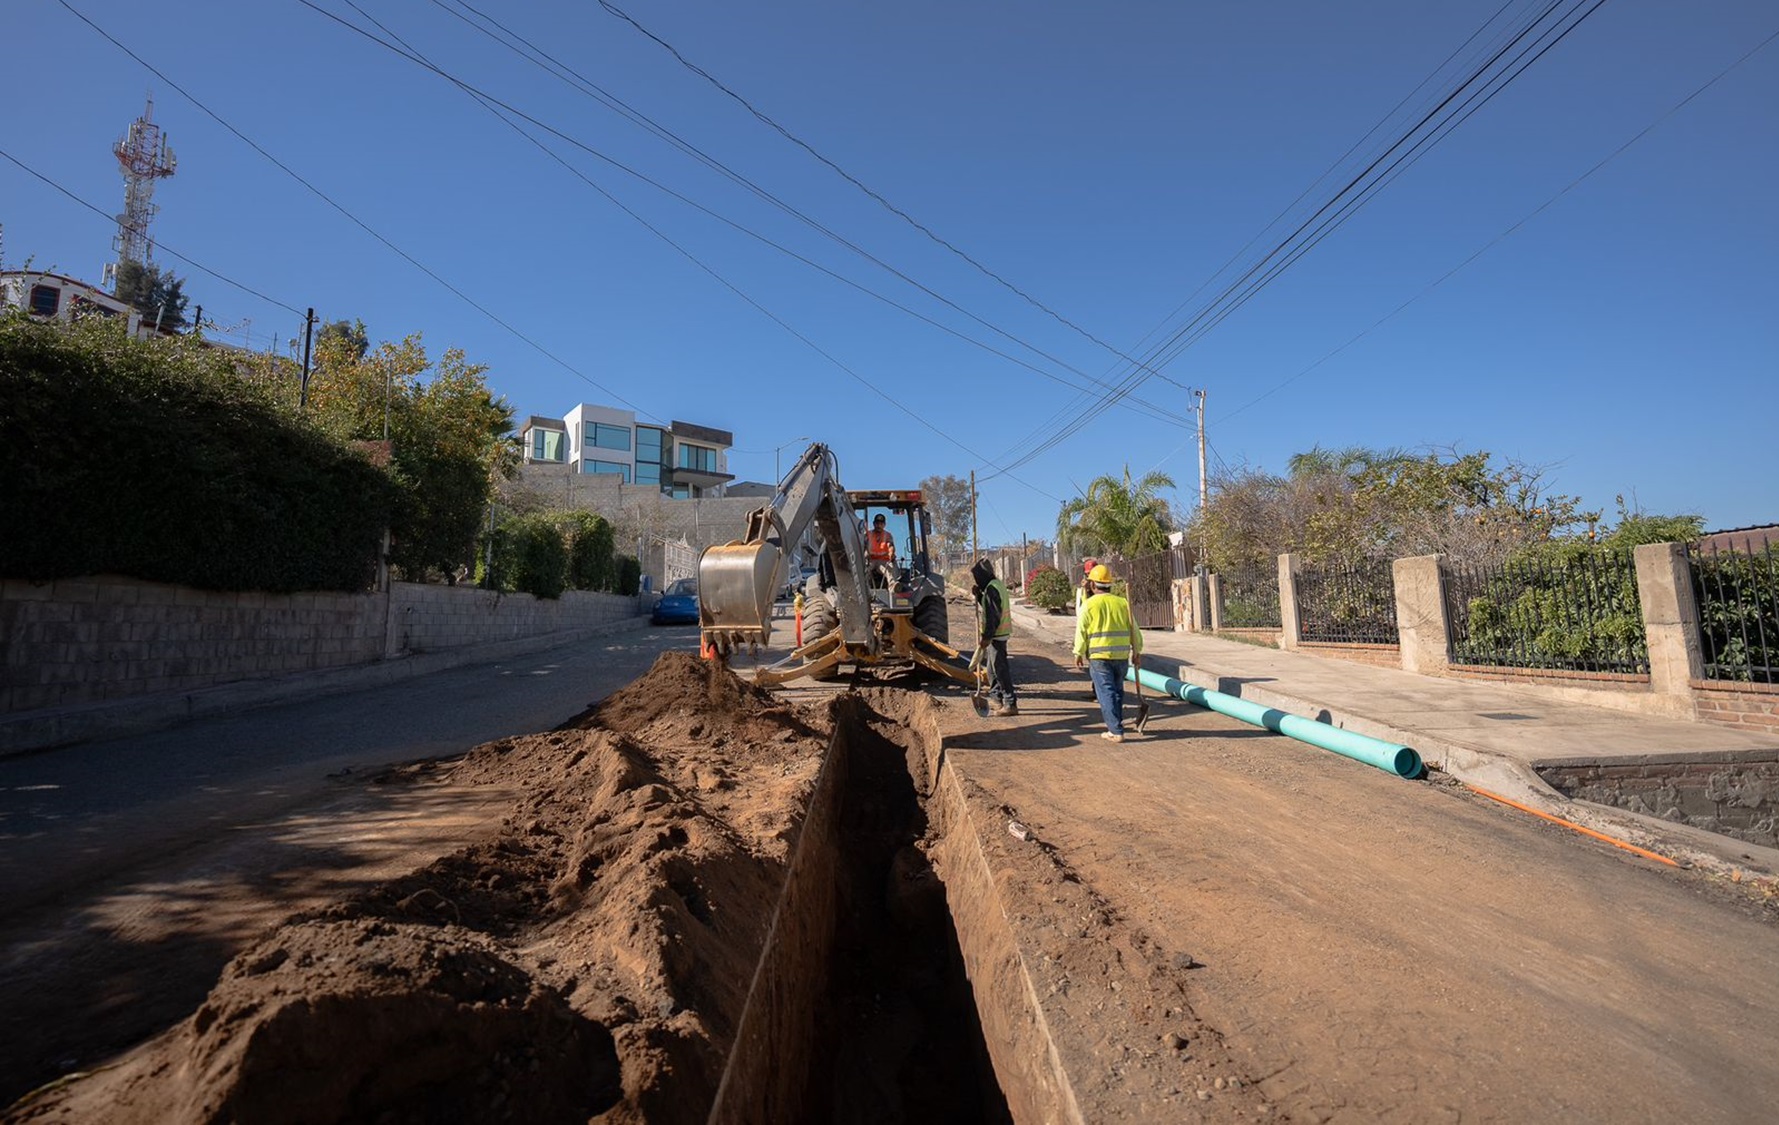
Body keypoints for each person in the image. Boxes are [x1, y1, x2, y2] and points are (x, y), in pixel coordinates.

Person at [1074, 563, 1141, 742]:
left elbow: (1081, 631)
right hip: (1121, 657)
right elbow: (1134, 630)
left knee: (1106, 693)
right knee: (1117, 691)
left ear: (1093, 585)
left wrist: (1078, 652)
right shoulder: (1122, 603)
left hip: (1099, 657)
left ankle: (1115, 730)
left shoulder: (1089, 605)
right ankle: (1116, 724)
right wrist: (1137, 651)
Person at [969, 557, 1017, 717]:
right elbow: (989, 607)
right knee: (991, 670)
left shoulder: (992, 589)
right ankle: (996, 698)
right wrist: (979, 595)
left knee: (1000, 669)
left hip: (997, 636)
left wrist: (986, 636)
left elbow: (993, 616)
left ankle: (1010, 703)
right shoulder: (994, 586)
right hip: (996, 635)